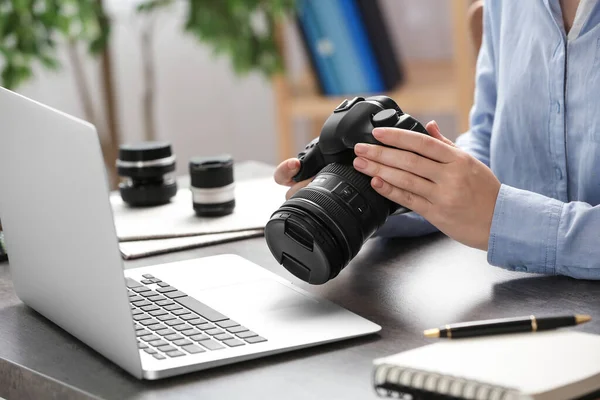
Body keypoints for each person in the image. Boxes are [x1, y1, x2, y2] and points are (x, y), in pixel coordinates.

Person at [274, 0, 600, 280]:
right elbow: (489, 139)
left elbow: (493, 211)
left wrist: (503, 220)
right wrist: (376, 188)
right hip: (506, 290)